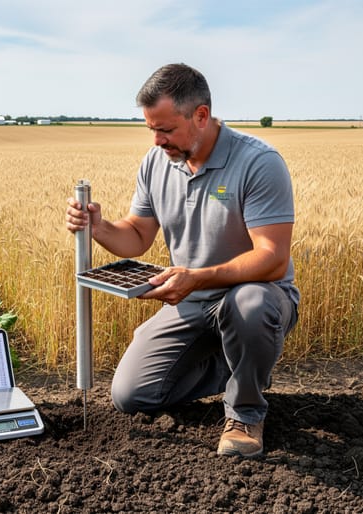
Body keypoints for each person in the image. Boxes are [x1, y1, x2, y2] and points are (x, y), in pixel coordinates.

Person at [65, 63, 299, 457]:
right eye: (151, 129)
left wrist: (197, 278)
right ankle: (240, 366)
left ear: (201, 116)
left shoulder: (259, 163)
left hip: (255, 297)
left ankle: (245, 412)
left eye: (167, 129)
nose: (157, 140)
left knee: (250, 303)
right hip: (192, 302)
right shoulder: (157, 163)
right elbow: (137, 236)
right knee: (131, 396)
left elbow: (273, 260)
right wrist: (99, 227)